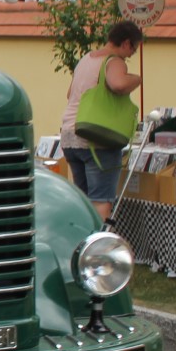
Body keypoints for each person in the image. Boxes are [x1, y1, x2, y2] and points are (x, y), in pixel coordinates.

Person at [59, 19, 144, 221]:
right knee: (100, 200)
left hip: (70, 134)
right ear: (126, 43)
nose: (132, 53)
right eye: (134, 48)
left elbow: (69, 93)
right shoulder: (114, 61)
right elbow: (118, 84)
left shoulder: (86, 59)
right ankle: (98, 248)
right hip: (96, 137)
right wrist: (137, 79)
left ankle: (82, 243)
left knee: (84, 199)